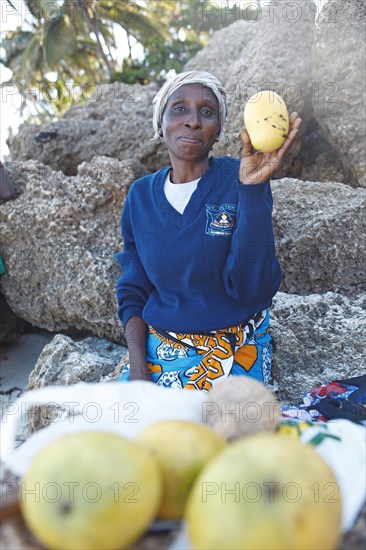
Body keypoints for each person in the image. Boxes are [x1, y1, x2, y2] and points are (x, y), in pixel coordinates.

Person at [115, 71, 301, 391]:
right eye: (179, 109)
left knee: (215, 436)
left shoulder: (239, 177)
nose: (193, 121)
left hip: (234, 348)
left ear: (217, 131)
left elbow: (253, 290)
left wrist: (253, 192)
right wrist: (138, 366)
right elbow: (134, 289)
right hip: (161, 348)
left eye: (206, 112)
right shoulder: (140, 196)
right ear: (161, 124)